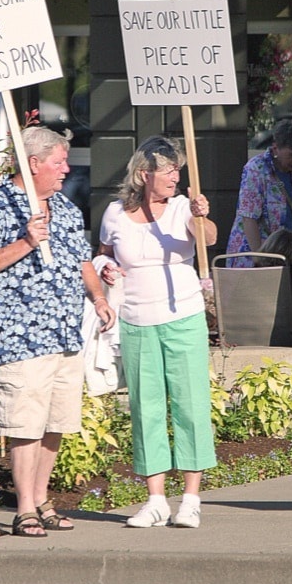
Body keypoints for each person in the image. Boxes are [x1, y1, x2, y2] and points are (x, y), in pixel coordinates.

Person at [0, 125, 115, 538]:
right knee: (24, 424)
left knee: (55, 423)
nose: (67, 168)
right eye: (59, 161)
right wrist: (27, 242)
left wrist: (98, 298)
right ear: (34, 163)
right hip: (19, 335)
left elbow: (83, 260)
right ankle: (24, 508)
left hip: (65, 333)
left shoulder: (64, 208)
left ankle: (43, 499)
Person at [97, 135, 217, 529]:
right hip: (135, 319)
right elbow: (104, 253)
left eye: (177, 169)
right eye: (167, 170)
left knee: (190, 403)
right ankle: (155, 499)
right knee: (145, 407)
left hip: (182, 314)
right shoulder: (115, 212)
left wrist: (202, 216)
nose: (175, 176)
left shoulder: (183, 206)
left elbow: (209, 239)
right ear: (143, 174)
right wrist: (105, 268)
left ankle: (192, 498)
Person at [226, 118, 292, 267]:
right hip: (257, 254)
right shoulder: (257, 168)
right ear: (276, 149)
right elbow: (249, 217)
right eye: (291, 155)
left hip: (286, 254)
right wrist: (259, 258)